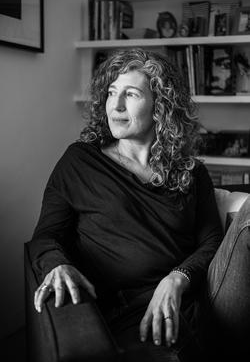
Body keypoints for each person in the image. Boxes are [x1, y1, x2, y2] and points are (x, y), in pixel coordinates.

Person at [28, 48, 244, 361]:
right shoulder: (80, 161)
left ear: (161, 105)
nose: (114, 105)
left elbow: (211, 241)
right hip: (132, 311)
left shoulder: (191, 171)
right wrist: (56, 264)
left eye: (130, 94)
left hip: (203, 295)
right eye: (111, 92)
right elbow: (46, 235)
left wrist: (176, 279)